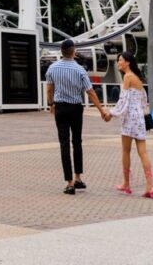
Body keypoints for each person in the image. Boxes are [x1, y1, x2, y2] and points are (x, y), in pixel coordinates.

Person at [45, 37, 110, 195]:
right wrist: (102, 111)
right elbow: (90, 91)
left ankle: (69, 183)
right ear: (73, 52)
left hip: (60, 108)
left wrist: (51, 104)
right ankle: (78, 177)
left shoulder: (52, 68)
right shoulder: (80, 70)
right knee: (77, 142)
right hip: (75, 109)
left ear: (61, 52)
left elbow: (49, 89)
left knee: (64, 144)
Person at [105, 52, 153, 198]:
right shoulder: (137, 78)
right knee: (143, 152)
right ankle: (150, 186)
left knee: (126, 151)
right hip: (139, 118)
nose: (118, 63)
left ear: (127, 62)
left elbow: (123, 101)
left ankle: (126, 183)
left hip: (129, 119)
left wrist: (111, 113)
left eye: (120, 60)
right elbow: (143, 101)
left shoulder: (127, 77)